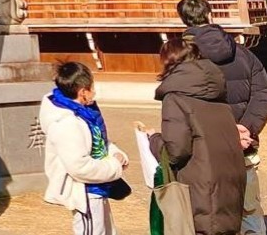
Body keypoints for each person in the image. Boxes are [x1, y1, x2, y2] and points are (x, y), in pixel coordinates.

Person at [179, 0, 267, 235]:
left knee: (213, 216)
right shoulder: (243, 54)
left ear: (182, 19)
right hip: (244, 147)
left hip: (205, 155)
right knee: (249, 211)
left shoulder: (182, 59)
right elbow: (264, 92)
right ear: (209, 14)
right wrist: (246, 128)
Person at [145, 37, 246, 235]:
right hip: (229, 180)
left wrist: (153, 140)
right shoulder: (218, 93)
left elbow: (176, 151)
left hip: (200, 184)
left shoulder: (175, 98)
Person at [40, 61, 129, 235]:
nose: (94, 91)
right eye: (91, 87)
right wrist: (114, 166)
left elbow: (98, 141)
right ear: (82, 92)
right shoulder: (66, 123)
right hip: (86, 192)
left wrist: (115, 153)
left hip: (100, 186)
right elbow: (79, 167)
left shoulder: (85, 113)